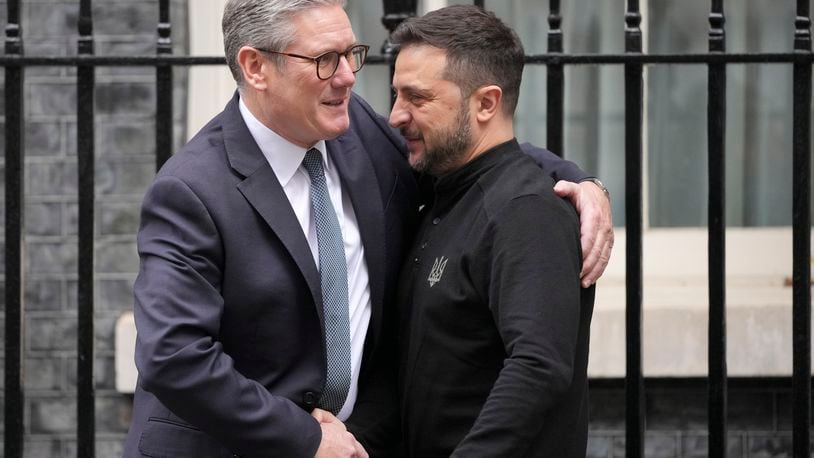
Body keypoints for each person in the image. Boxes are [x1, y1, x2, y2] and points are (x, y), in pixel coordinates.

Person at [123, 1, 610, 457]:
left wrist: (577, 180)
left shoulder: (357, 131)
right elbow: (174, 356)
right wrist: (306, 437)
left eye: (352, 54)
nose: (348, 77)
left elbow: (474, 150)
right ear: (255, 67)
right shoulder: (191, 190)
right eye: (325, 59)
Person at [389, 5, 595, 457]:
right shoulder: (443, 195)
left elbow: (539, 367)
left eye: (416, 98)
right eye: (396, 96)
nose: (395, 116)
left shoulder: (526, 212)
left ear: (486, 103)